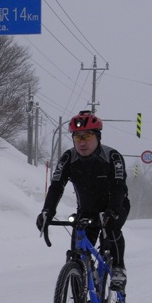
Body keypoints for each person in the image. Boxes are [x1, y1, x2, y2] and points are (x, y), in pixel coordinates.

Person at [36, 110, 130, 291]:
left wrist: (112, 211)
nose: (82, 142)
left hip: (115, 205)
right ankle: (80, 301)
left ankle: (118, 267)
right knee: (77, 255)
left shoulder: (112, 157)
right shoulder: (68, 158)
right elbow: (56, 187)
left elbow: (119, 187)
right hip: (86, 211)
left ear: (98, 137)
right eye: (77, 138)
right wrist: (47, 212)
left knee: (112, 227)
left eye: (87, 136)